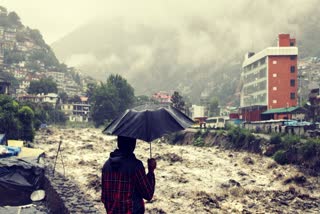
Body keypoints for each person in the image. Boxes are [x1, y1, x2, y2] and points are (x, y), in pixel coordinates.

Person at [101, 136, 156, 214]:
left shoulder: (106, 165)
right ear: (133, 145)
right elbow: (148, 194)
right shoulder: (136, 166)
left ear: (118, 143)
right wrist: (151, 171)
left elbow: (104, 197)